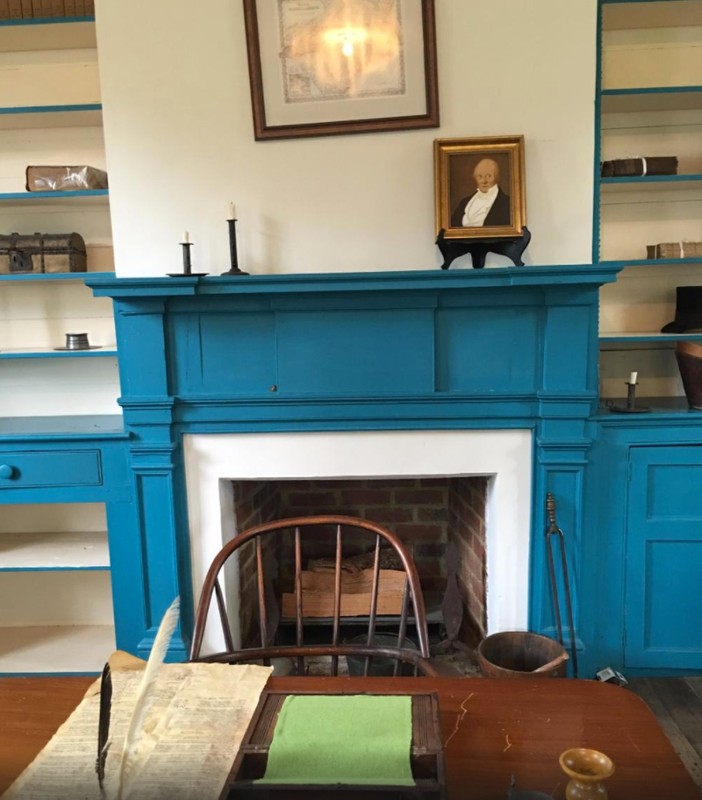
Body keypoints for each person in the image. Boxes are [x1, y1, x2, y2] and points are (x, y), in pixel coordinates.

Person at [451, 157, 511, 228]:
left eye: (488, 176)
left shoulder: (507, 203)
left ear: (496, 177)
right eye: (480, 176)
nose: (484, 181)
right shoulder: (464, 203)